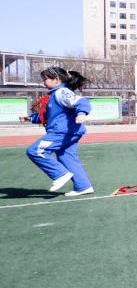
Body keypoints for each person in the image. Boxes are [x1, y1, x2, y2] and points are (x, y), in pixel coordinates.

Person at [20, 67, 95, 196]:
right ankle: (83, 186)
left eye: (45, 79)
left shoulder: (61, 92)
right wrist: (31, 118)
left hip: (62, 132)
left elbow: (81, 102)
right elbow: (49, 116)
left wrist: (82, 113)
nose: (43, 82)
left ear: (56, 80)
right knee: (66, 157)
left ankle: (60, 174)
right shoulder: (55, 94)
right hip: (68, 132)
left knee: (35, 151)